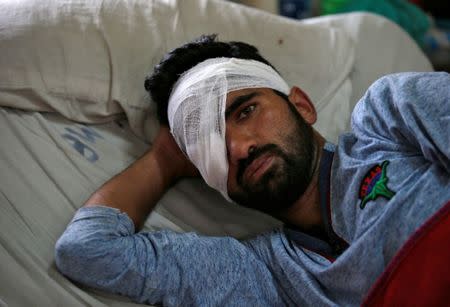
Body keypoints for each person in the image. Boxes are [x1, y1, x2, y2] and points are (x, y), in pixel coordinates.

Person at [55, 34, 450, 306]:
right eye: (210, 145)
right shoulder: (265, 275)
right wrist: (162, 162)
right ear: (209, 179)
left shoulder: (390, 118)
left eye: (247, 111)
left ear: (302, 105)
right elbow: (87, 252)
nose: (239, 147)